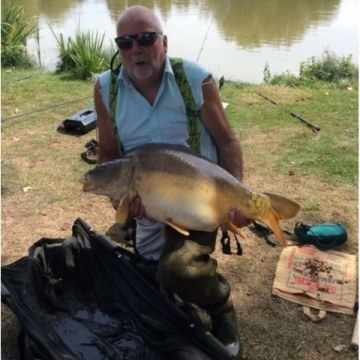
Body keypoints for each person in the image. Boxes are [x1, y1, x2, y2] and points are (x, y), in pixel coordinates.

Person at [95, 5, 249, 358]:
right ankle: (178, 287)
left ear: (163, 42)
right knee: (156, 281)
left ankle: (221, 306)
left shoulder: (195, 79)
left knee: (179, 272)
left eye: (146, 39)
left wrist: (236, 196)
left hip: (198, 200)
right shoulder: (106, 89)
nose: (136, 50)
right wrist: (121, 204)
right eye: (126, 42)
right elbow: (107, 154)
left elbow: (227, 142)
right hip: (149, 207)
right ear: (119, 49)